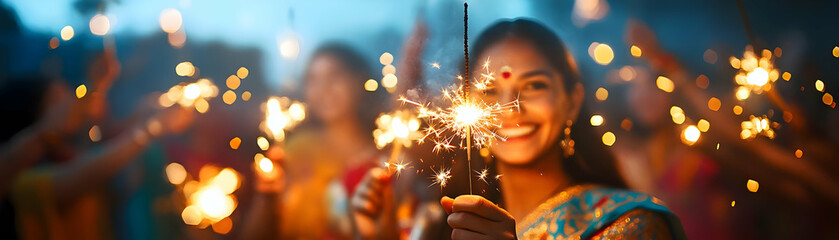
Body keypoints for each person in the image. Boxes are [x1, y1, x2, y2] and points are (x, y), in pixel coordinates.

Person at [353, 19, 687, 240]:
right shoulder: (439, 222)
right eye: (488, 91)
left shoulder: (629, 224)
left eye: (535, 86)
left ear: (572, 101)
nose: (510, 108)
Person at [240, 42, 391, 240]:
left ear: (359, 81)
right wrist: (266, 197)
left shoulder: (386, 161)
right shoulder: (293, 151)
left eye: (334, 76)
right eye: (313, 80)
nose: (323, 89)